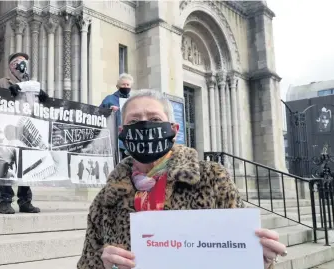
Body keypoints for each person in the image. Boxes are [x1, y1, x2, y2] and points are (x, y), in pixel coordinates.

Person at [77, 89, 287, 269]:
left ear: (174, 131)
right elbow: (86, 263)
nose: (144, 126)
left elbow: (239, 250)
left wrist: (259, 258)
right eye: (134, 121)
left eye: (155, 119)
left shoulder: (212, 178)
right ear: (122, 134)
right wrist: (103, 263)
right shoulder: (106, 199)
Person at [0, 52, 41, 214]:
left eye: (25, 63)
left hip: (26, 131)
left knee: (26, 166)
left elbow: (38, 109)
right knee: (6, 165)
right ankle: (5, 201)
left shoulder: (32, 86)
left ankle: (25, 201)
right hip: (8, 131)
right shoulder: (1, 83)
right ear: (13, 66)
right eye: (20, 62)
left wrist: (42, 97)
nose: (23, 66)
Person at [100, 73, 133, 160]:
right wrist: (109, 110)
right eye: (123, 84)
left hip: (131, 140)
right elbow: (99, 114)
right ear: (118, 86)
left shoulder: (133, 100)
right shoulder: (109, 99)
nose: (125, 86)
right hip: (114, 139)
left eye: (128, 85)